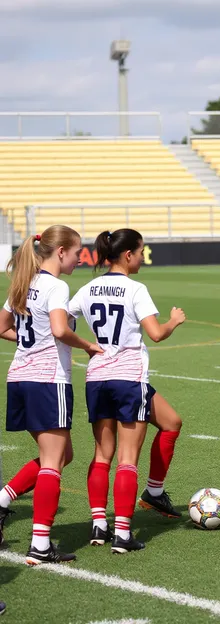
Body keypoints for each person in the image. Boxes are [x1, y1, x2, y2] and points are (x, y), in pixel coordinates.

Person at [69, 228, 185, 554]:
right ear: (129, 255)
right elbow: (156, 334)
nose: (143, 257)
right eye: (141, 251)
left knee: (102, 454)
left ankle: (98, 524)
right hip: (129, 379)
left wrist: (86, 343)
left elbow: (62, 319)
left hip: (97, 378)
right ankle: (122, 533)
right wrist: (174, 321)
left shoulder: (88, 287)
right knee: (127, 458)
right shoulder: (135, 289)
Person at [0, 226, 103, 564]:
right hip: (47, 382)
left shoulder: (23, 282)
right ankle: (41, 544)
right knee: (52, 463)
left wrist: (29, 343)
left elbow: (1, 326)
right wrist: (88, 345)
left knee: (61, 455)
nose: (79, 258)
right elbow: (60, 330)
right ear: (60, 252)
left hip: (19, 379)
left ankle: (3, 499)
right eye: (76, 253)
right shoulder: (56, 285)